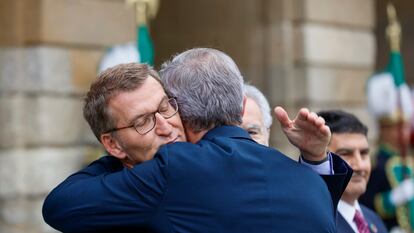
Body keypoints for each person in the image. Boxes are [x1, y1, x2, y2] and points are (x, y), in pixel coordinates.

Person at [43, 48, 352, 233]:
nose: (163, 126)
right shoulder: (309, 181)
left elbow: (58, 205)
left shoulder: (174, 170)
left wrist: (125, 152)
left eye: (165, 107)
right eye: (142, 122)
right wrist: (315, 160)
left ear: (185, 110)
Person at [359, 70, 414, 232]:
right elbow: (366, 203)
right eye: (397, 127)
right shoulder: (377, 164)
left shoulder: (410, 161)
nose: (403, 132)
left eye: (405, 126)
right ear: (384, 130)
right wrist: (391, 199)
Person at [318, 110, 388, 233]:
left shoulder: (374, 220)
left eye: (364, 153)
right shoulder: (315, 223)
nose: (359, 165)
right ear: (320, 159)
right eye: (345, 154)